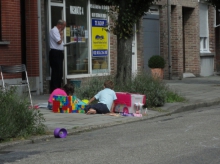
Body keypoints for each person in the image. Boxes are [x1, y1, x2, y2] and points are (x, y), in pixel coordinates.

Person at [49, 19, 66, 93]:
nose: (64, 28)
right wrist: (61, 35)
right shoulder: (54, 30)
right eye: (63, 26)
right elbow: (59, 41)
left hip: (59, 52)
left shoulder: (57, 31)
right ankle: (55, 88)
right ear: (60, 25)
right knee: (56, 71)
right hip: (55, 52)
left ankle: (58, 87)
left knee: (59, 71)